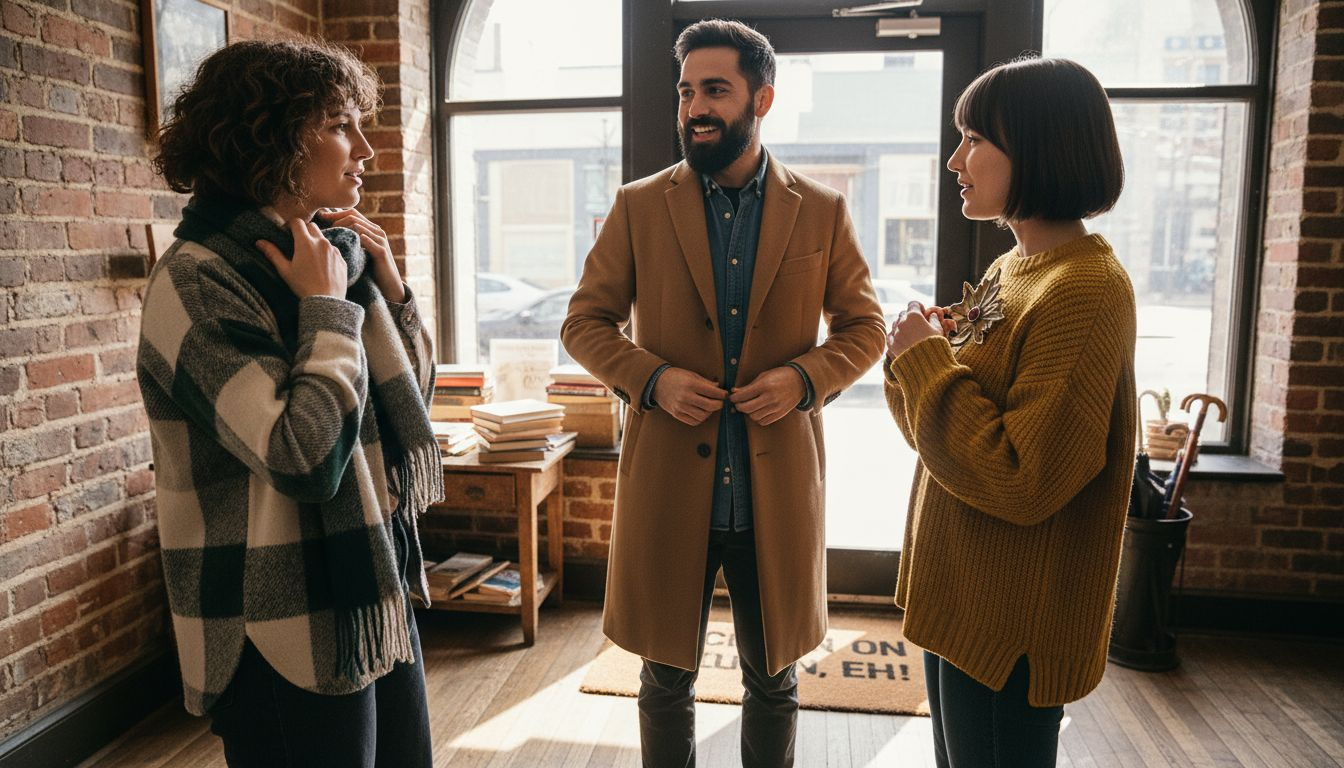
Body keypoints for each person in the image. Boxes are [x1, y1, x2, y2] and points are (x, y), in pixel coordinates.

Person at [562, 19, 886, 768]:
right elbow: (585, 322)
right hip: (672, 483)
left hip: (773, 488)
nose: (694, 108)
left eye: (715, 90)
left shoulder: (823, 210)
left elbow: (864, 328)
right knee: (662, 679)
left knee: (773, 680)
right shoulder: (640, 205)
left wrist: (805, 379)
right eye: (685, 92)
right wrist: (652, 379)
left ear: (760, 98)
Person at [136, 39, 440, 768]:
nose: (365, 147)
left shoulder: (332, 253)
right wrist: (329, 312)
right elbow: (302, 457)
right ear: (268, 140)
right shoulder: (198, 283)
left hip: (370, 588)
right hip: (275, 624)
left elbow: (413, 402)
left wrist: (392, 291)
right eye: (340, 124)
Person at [883, 57, 1134, 767]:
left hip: (1010, 620)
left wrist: (927, 361)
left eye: (975, 140)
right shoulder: (1010, 270)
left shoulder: (1084, 291)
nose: (955, 159)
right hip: (961, 599)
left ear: (1039, 148)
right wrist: (914, 359)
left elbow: (1024, 483)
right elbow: (940, 443)